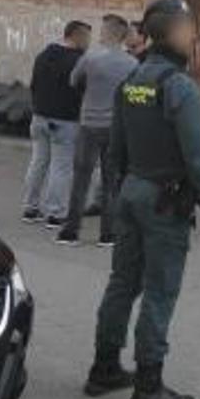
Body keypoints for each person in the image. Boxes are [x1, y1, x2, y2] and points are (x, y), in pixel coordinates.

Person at [84, 0, 200, 399]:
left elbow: (116, 149)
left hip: (131, 192)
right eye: (189, 29)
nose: (194, 36)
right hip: (165, 200)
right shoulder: (179, 86)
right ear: (170, 33)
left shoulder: (132, 80)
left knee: (122, 282)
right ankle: (148, 387)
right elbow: (199, 155)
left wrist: (119, 192)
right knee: (159, 291)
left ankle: (105, 367)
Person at [56, 14, 139, 247]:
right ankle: (108, 234)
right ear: (123, 36)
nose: (99, 33)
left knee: (80, 180)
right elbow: (134, 94)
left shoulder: (90, 58)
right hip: (115, 127)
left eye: (102, 30)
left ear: (107, 33)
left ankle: (70, 232)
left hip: (89, 124)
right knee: (111, 181)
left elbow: (73, 82)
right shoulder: (132, 63)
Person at [21, 20, 92, 228]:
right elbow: (83, 90)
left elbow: (33, 85)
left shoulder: (43, 56)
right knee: (61, 166)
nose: (88, 43)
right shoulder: (79, 61)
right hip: (65, 120)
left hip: (40, 117)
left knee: (38, 161)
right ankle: (55, 213)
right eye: (86, 38)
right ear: (77, 37)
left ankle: (30, 208)